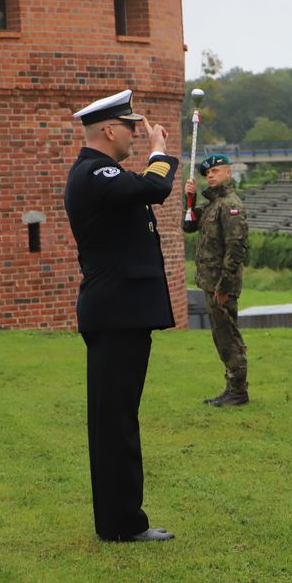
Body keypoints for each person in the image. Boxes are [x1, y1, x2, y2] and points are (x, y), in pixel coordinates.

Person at [63, 88, 177, 543]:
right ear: (108, 130)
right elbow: (155, 187)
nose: (136, 133)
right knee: (116, 425)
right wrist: (160, 151)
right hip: (116, 314)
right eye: (131, 127)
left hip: (119, 312)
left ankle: (119, 520)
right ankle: (122, 523)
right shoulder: (95, 172)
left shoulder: (100, 173)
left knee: (118, 419)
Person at [182, 154, 249, 406]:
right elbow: (189, 225)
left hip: (222, 284)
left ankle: (238, 391)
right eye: (207, 173)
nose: (210, 175)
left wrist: (225, 286)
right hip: (210, 281)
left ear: (228, 173)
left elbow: (236, 249)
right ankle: (232, 387)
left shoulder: (230, 205)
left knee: (228, 336)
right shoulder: (212, 204)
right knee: (221, 335)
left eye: (216, 171)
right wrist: (188, 198)